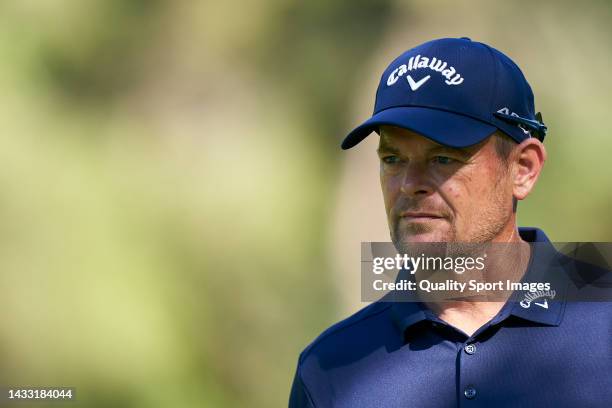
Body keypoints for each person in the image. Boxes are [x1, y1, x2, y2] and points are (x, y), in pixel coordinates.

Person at [289, 37, 612, 407]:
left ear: (523, 169)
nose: (410, 185)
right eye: (393, 159)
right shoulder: (329, 369)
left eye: (443, 159)